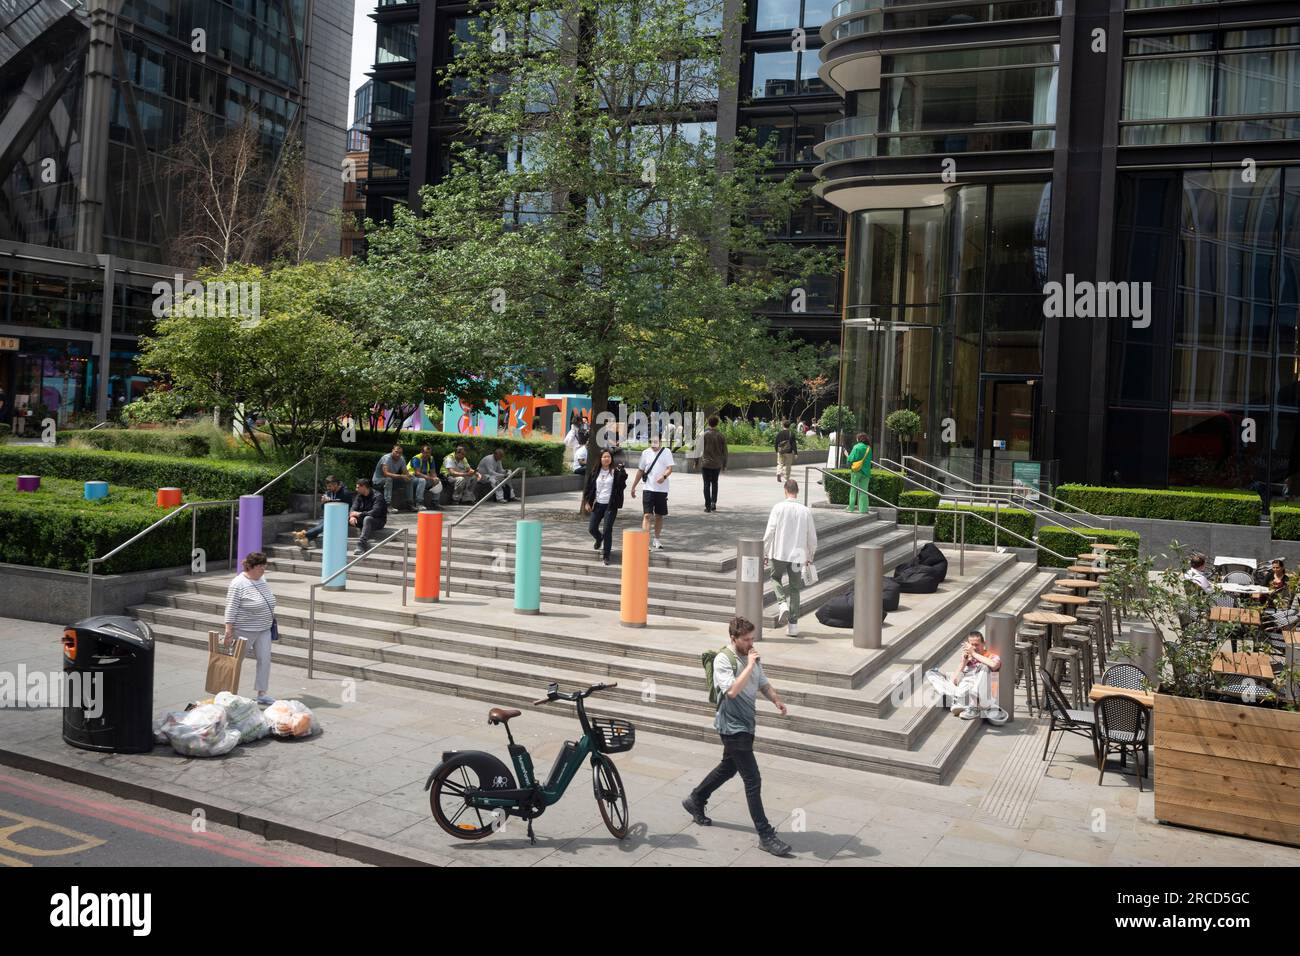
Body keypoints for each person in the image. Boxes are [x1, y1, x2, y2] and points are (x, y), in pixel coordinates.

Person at [682, 616, 792, 858]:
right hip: (731, 727)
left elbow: (762, 683)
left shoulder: (751, 656)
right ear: (733, 638)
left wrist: (776, 700)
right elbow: (731, 691)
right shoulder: (725, 659)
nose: (751, 643)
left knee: (728, 767)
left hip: (746, 723)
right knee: (752, 780)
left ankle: (696, 798)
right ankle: (766, 835)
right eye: (746, 639)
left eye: (752, 638)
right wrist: (750, 665)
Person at [763, 479, 817, 637]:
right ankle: (793, 624)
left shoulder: (778, 508)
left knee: (775, 577)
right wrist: (810, 555)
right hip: (797, 555)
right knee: (794, 588)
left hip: (779, 552)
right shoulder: (805, 510)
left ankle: (781, 603)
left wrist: (764, 552)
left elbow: (770, 532)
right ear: (797, 491)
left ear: (785, 490)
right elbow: (811, 537)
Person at [224, 552, 277, 705]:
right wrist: (228, 630)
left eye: (264, 566)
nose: (263, 569)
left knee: (265, 660)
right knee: (236, 661)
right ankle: (229, 693)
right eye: (260, 566)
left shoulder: (262, 579)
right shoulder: (237, 583)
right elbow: (231, 608)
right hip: (244, 630)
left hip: (264, 629)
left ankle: (262, 693)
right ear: (250, 567)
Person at [924, 631, 1002, 720]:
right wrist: (963, 663)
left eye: (977, 645)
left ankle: (971, 706)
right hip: (966, 690)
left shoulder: (991, 656)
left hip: (983, 695)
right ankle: (961, 703)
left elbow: (994, 665)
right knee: (930, 673)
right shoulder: (968, 658)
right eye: (972, 645)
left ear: (984, 644)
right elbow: (954, 681)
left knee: (984, 666)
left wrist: (974, 654)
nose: (974, 647)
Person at [582, 449, 626, 566]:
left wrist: (622, 472)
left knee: (607, 530)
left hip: (610, 505)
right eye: (604, 457)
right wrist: (587, 502)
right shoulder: (596, 471)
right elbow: (589, 487)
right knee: (592, 528)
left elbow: (622, 485)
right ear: (600, 459)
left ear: (611, 459)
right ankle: (599, 538)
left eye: (608, 457)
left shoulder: (615, 471)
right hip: (598, 504)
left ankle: (606, 555)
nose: (606, 459)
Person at [630, 432, 672, 552]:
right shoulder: (645, 453)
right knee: (647, 515)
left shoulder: (666, 452)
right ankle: (644, 541)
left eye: (656, 441)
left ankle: (657, 539)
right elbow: (640, 471)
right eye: (652, 442)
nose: (654, 444)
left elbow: (670, 469)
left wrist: (663, 477)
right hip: (648, 488)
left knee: (659, 515)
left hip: (662, 489)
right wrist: (633, 486)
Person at [292, 476, 354, 551]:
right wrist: (324, 502)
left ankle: (304, 534)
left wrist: (330, 501)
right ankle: (306, 540)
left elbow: (348, 506)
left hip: (341, 517)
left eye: (330, 486)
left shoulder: (345, 493)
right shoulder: (328, 492)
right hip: (329, 515)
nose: (328, 488)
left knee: (324, 526)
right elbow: (323, 508)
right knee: (321, 526)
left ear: (335, 484)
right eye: (327, 486)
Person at [349, 478, 388, 554]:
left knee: (368, 519)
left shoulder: (378, 496)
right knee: (341, 517)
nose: (356, 489)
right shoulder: (359, 496)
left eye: (358, 487)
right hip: (362, 519)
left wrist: (359, 514)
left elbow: (375, 512)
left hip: (378, 521)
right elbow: (353, 509)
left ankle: (361, 545)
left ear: (364, 487)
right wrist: (352, 516)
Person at [372, 443, 412, 512]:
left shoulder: (401, 459)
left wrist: (409, 476)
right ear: (392, 450)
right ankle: (388, 505)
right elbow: (386, 473)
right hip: (378, 481)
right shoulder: (386, 458)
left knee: (409, 480)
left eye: (400, 453)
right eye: (396, 452)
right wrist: (401, 476)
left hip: (392, 480)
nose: (398, 454)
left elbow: (405, 472)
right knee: (389, 479)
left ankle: (410, 503)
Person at [700, 415, 728, 513]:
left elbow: (698, 449)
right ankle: (713, 503)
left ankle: (707, 505)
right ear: (717, 424)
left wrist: (695, 462)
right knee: (715, 483)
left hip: (706, 463)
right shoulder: (721, 436)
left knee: (706, 484)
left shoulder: (704, 435)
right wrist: (724, 465)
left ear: (708, 423)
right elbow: (725, 451)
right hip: (717, 464)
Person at [407, 443, 443, 510]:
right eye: (426, 453)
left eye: (429, 453)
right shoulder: (416, 458)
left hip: (423, 477)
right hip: (412, 478)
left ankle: (435, 503)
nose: (428, 455)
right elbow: (417, 473)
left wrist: (435, 478)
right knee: (422, 480)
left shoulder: (431, 458)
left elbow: (433, 472)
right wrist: (431, 478)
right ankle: (419, 503)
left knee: (438, 480)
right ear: (422, 452)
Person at [845, 432, 872, 513]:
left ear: (859, 439)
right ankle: (863, 509)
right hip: (866, 472)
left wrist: (846, 455)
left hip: (856, 471)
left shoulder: (856, 447)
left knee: (853, 489)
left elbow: (850, 459)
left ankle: (851, 508)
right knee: (864, 491)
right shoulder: (868, 448)